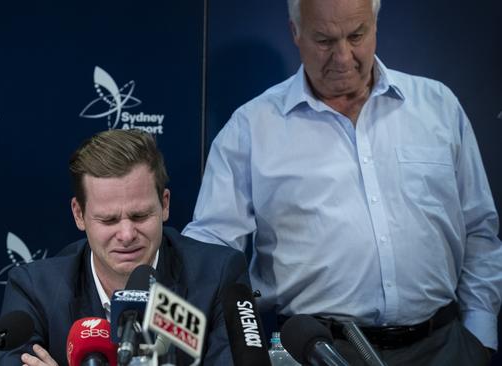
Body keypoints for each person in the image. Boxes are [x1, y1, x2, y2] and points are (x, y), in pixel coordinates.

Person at [182, 0, 502, 364]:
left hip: (445, 348)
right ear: (295, 33)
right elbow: (211, 257)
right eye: (324, 40)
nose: (343, 56)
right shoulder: (251, 129)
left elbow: (478, 229)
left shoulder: (438, 107)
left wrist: (480, 335)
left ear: (375, 26)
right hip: (318, 351)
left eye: (356, 35)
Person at [0, 129, 250, 366]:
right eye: (108, 220)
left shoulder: (218, 276)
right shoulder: (34, 290)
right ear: (79, 214)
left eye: (140, 216)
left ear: (164, 205)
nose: (127, 235)